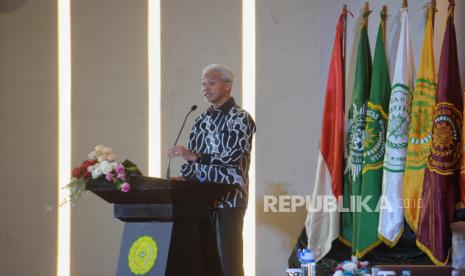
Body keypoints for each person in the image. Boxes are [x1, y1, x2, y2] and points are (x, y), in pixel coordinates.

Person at [167, 64, 256, 276]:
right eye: (203, 83)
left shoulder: (241, 118)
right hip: (199, 200)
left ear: (227, 86)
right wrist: (185, 178)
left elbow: (234, 155)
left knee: (228, 260)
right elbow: (192, 159)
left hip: (229, 198)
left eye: (211, 83)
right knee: (204, 261)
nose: (205, 88)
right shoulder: (200, 120)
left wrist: (196, 157)